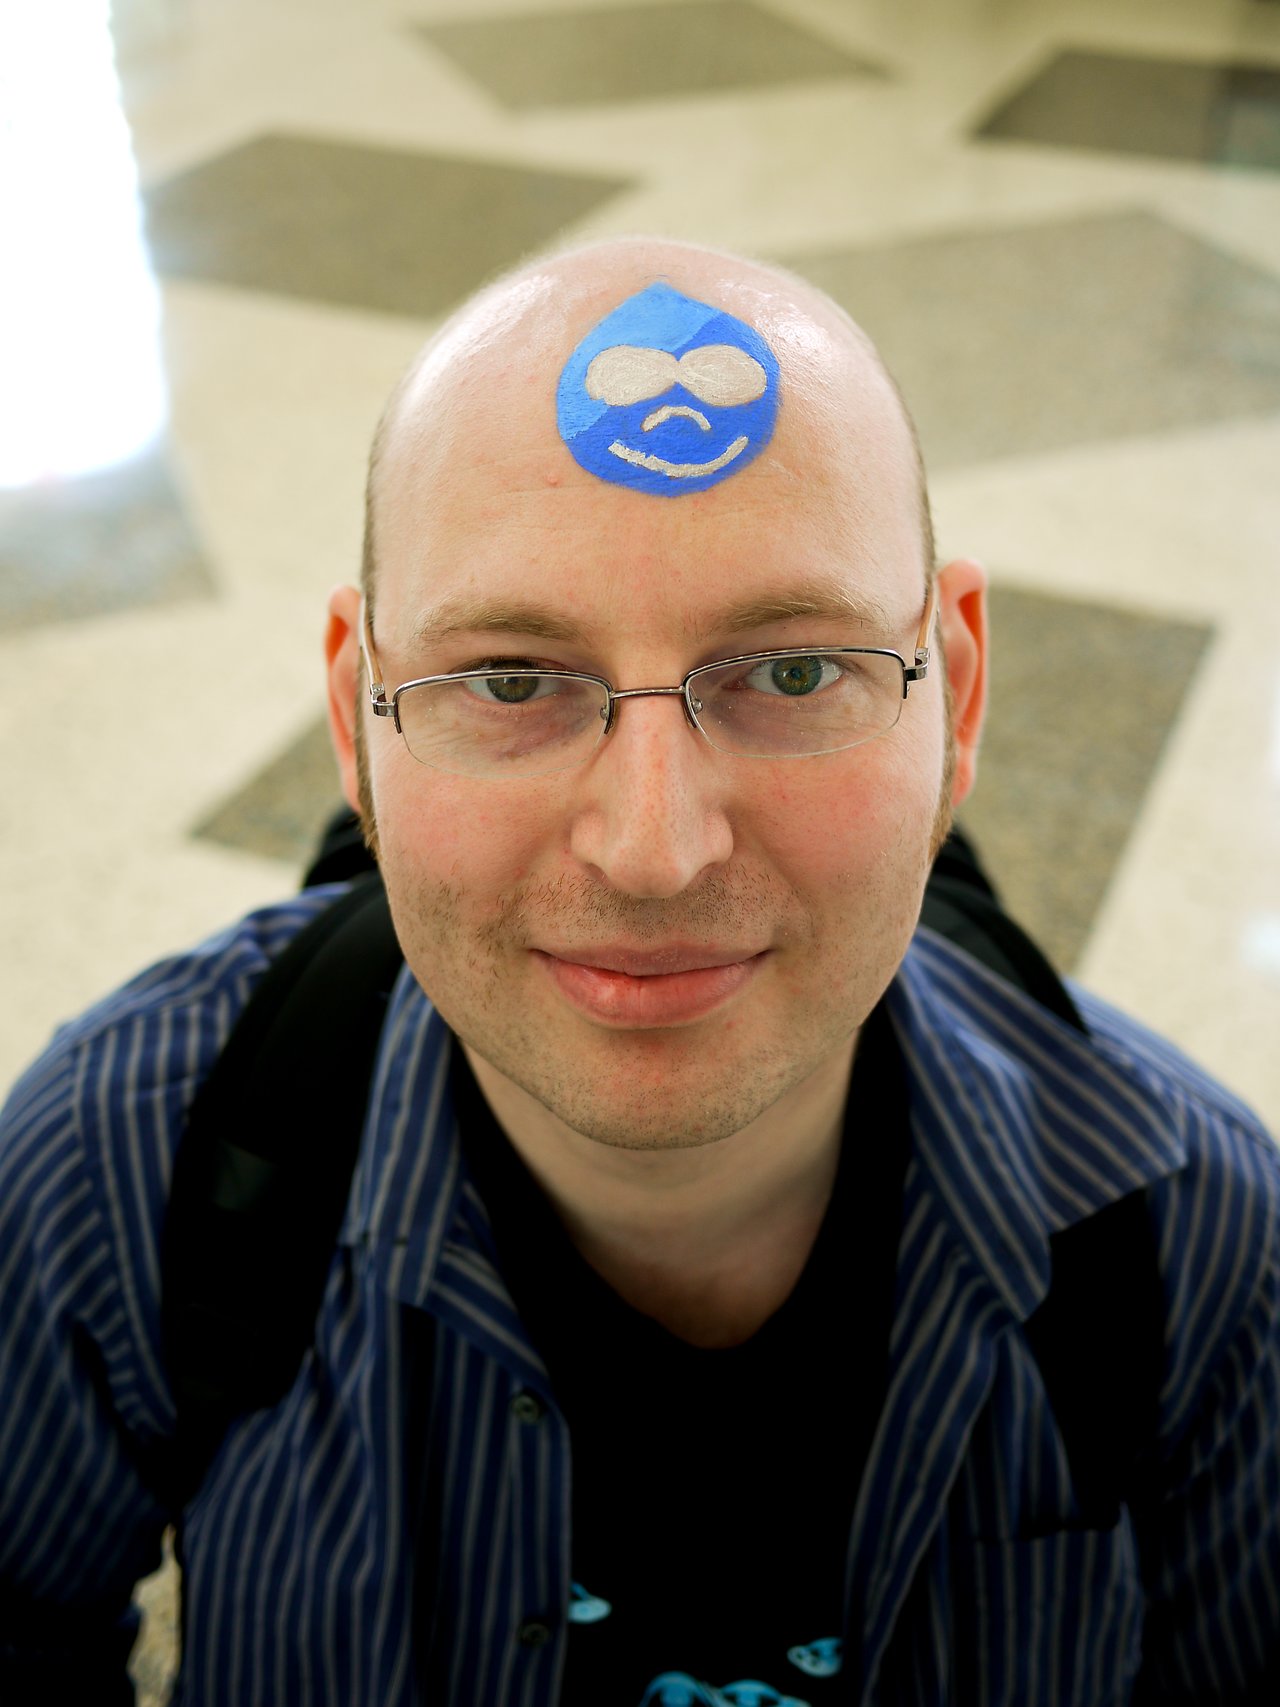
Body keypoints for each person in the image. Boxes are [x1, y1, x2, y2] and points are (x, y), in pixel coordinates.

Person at [1, 238, 1277, 1707]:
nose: (654, 850)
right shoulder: (121, 1169)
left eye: (793, 672)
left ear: (959, 693)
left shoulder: (1199, 1257)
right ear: (357, 724)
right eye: (509, 682)